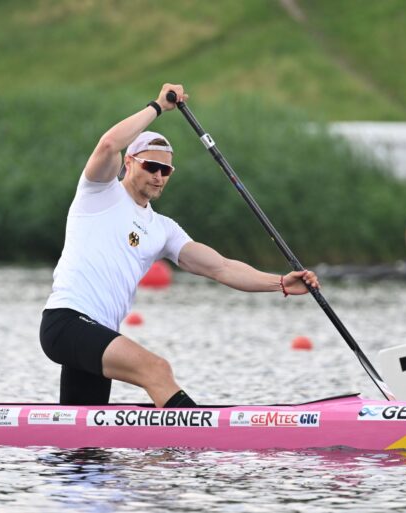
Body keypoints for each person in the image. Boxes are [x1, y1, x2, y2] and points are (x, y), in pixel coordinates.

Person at [40, 83, 319, 408]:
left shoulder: (163, 230)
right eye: (150, 166)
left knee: (84, 442)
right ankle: (190, 453)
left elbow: (221, 267)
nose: (158, 175)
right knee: (155, 369)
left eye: (166, 170)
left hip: (97, 333)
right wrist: (158, 106)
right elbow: (107, 144)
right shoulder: (99, 192)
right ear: (128, 162)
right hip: (67, 321)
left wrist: (281, 283)